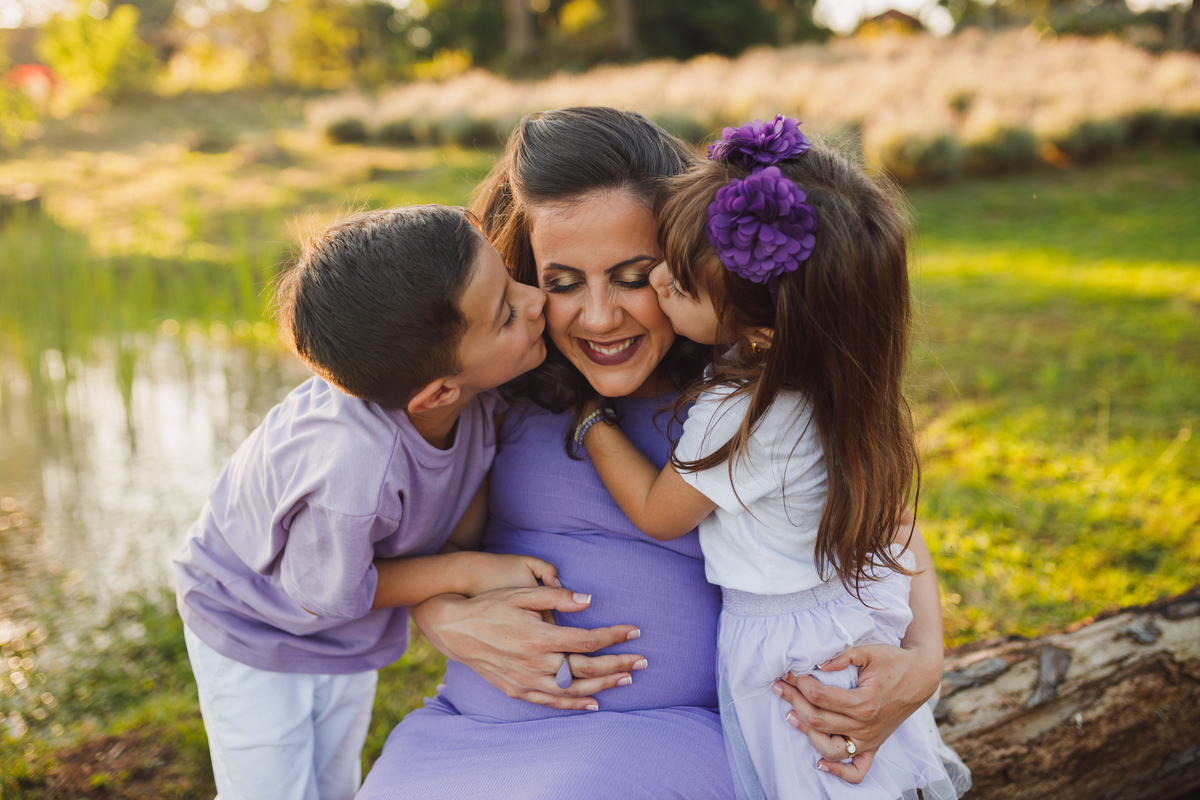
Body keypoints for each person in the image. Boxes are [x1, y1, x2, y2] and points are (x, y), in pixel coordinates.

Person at [357, 108, 967, 799]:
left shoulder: (751, 394)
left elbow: (884, 518)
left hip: (663, 739)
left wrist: (924, 662)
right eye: (562, 283)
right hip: (464, 736)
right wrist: (445, 617)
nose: (598, 317)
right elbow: (403, 553)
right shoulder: (500, 386)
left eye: (634, 276)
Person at [578, 116, 963, 799]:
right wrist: (925, 652)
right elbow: (900, 526)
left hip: (792, 656)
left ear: (759, 330)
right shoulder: (833, 379)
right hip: (846, 616)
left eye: (681, 287)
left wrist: (591, 420)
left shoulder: (745, 413)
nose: (658, 279)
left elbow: (660, 512)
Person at [173, 205, 554, 800]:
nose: (535, 300)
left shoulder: (471, 394)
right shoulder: (355, 473)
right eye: (506, 312)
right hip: (249, 621)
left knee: (333, 781)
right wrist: (467, 571)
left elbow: (466, 479)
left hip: (338, 627)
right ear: (439, 393)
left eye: (510, 279)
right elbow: (327, 592)